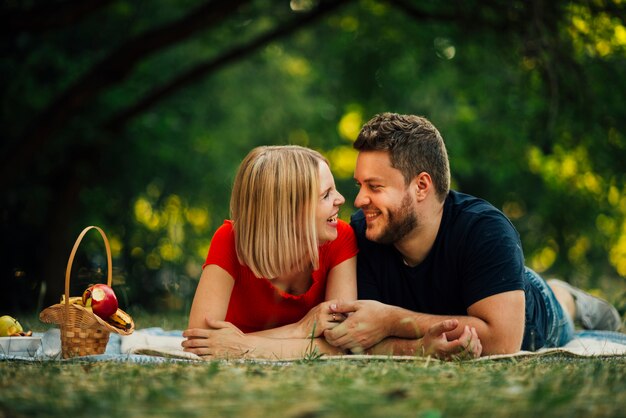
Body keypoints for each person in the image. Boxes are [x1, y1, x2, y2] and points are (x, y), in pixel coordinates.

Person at [324, 112, 623, 359]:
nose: (360, 200)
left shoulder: (485, 230)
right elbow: (363, 339)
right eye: (359, 185)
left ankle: (567, 298)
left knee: (562, 317)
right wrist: (419, 345)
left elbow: (503, 341)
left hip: (530, 314)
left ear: (421, 186)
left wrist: (391, 319)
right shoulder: (364, 232)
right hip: (476, 297)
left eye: (374, 187)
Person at [181, 145, 358, 359]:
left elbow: (340, 344)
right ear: (288, 210)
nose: (341, 199)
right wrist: (300, 330)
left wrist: (244, 346)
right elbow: (200, 343)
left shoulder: (341, 237)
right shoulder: (230, 240)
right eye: (326, 195)